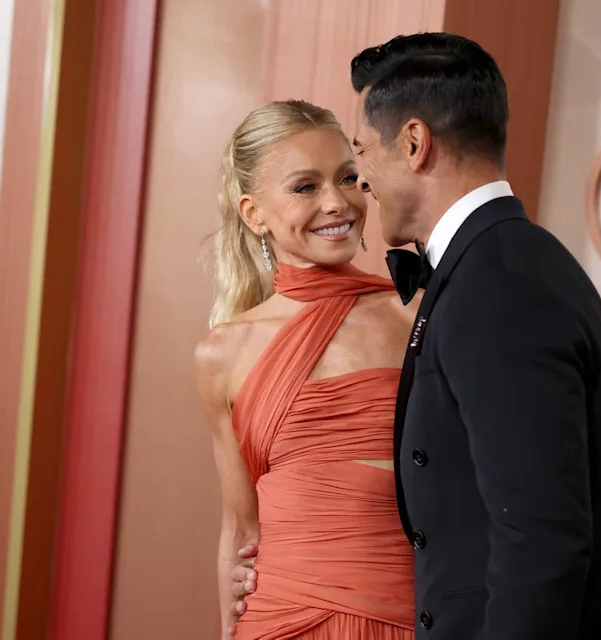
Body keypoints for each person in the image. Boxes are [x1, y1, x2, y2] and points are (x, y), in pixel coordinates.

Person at [348, 33, 601, 638]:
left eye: (363, 152)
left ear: (413, 144)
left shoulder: (501, 286)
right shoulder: (501, 264)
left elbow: (541, 540)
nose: (362, 180)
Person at [194, 99, 418, 639]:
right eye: (305, 187)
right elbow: (240, 526)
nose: (337, 203)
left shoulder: (416, 312)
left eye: (347, 178)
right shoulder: (222, 353)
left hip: (404, 615)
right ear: (254, 214)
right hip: (280, 621)